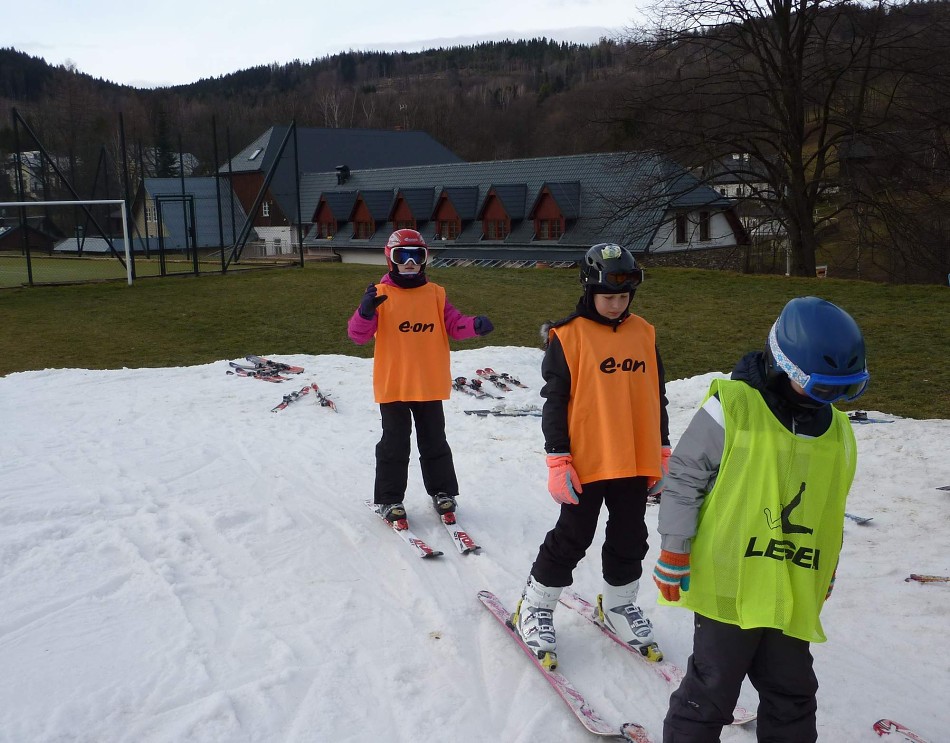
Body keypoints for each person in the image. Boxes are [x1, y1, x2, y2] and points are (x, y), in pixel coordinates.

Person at [653, 296, 870, 743]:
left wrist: (826, 571)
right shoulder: (733, 407)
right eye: (824, 389)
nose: (834, 401)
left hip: (790, 585)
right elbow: (683, 478)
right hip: (729, 585)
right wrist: (675, 545)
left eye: (847, 391)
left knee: (793, 693)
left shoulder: (839, 433)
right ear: (785, 366)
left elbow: (830, 511)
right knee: (711, 690)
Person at [513, 243, 671, 669]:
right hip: (586, 462)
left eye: (623, 297)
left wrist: (662, 450)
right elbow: (555, 402)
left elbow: (656, 396)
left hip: (634, 459)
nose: (617, 304)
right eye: (608, 297)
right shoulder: (568, 337)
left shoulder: (645, 332)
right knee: (574, 536)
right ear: (589, 290)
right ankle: (535, 605)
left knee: (630, 537)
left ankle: (617, 605)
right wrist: (558, 459)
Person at [347, 228, 494, 523]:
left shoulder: (435, 294)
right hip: (395, 385)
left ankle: (442, 491)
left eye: (418, 256)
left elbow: (454, 324)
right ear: (391, 259)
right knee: (394, 444)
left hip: (428, 383)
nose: (411, 262)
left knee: (434, 441)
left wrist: (474, 326)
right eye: (403, 256)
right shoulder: (380, 295)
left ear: (425, 259)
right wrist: (364, 313)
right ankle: (390, 499)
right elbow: (357, 336)